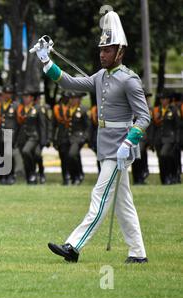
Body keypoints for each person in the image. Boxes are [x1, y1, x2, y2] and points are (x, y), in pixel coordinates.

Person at [34, 11, 150, 263]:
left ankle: (73, 246)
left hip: (121, 147)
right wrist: (47, 62)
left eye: (107, 50)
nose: (102, 54)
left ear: (120, 52)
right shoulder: (101, 76)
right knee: (122, 204)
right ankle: (138, 253)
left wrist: (129, 142)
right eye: (101, 50)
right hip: (106, 144)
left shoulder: (130, 80)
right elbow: (69, 83)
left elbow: (144, 117)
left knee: (99, 196)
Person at [17, 90, 47, 184]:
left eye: (27, 96)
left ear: (32, 98)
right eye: (24, 97)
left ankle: (37, 172)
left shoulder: (37, 108)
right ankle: (29, 175)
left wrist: (44, 140)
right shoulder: (20, 109)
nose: (25, 98)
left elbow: (42, 125)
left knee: (27, 152)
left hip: (34, 137)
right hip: (23, 137)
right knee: (27, 157)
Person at [0, 84, 19, 185]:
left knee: (8, 155)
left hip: (10, 134)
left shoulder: (16, 106)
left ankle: (10, 175)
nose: (7, 95)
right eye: (6, 93)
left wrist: (16, 137)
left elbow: (18, 122)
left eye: (9, 93)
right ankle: (1, 176)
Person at [152, 90, 180, 185]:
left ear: (168, 100)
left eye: (165, 99)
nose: (163, 101)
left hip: (169, 138)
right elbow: (154, 126)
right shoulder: (157, 110)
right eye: (161, 99)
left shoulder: (174, 110)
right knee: (161, 158)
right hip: (159, 139)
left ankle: (170, 176)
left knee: (164, 155)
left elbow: (177, 126)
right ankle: (164, 179)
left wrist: (177, 139)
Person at [131, 90, 153, 184]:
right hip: (134, 136)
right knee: (135, 158)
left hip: (144, 136)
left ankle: (143, 174)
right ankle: (137, 177)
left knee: (142, 155)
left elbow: (152, 126)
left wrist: (150, 140)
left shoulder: (149, 110)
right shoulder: (133, 108)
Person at [52, 91, 72, 185]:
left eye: (67, 97)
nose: (66, 99)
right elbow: (53, 125)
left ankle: (72, 175)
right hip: (60, 137)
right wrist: (53, 139)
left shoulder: (71, 108)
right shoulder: (57, 108)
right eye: (65, 97)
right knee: (63, 157)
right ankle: (65, 177)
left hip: (70, 137)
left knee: (70, 157)